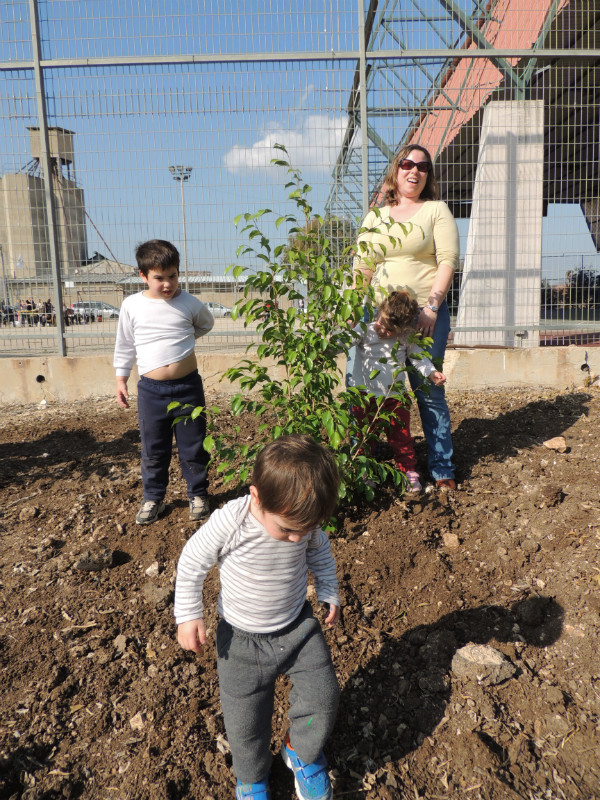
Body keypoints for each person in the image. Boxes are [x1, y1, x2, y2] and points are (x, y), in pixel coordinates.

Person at [175, 434, 340, 800]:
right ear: (257, 497)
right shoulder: (231, 522)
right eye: (287, 530)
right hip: (241, 641)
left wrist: (328, 589)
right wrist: (188, 614)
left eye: (305, 529)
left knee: (324, 695)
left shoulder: (302, 523)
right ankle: (251, 779)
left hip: (298, 628)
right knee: (245, 721)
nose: (298, 539)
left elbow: (320, 551)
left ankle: (301, 751)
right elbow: (191, 562)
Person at [353, 144, 459, 489]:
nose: (414, 171)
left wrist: (430, 308)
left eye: (423, 167)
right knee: (366, 391)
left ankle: (442, 468)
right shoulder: (376, 217)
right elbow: (362, 267)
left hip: (424, 314)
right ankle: (361, 463)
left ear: (428, 176)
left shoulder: (435, 210)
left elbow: (447, 261)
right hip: (377, 315)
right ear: (395, 170)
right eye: (407, 164)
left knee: (427, 389)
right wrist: (351, 311)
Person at [113, 239, 214, 524]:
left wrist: (183, 341)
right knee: (154, 449)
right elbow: (125, 345)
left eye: (172, 276)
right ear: (143, 276)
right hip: (151, 392)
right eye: (159, 278)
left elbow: (205, 323)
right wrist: (121, 379)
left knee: (193, 446)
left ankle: (198, 494)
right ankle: (153, 499)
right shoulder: (132, 305)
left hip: (188, 387)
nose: (167, 284)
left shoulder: (189, 303)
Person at [348, 290, 446, 492]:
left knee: (401, 437)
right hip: (366, 397)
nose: (382, 330)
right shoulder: (363, 330)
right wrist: (326, 347)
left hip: (395, 398)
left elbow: (419, 358)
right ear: (380, 311)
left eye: (390, 330)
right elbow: (341, 342)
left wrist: (432, 373)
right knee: (365, 435)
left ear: (403, 328)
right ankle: (364, 472)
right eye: (381, 322)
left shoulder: (405, 338)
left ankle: (408, 472)